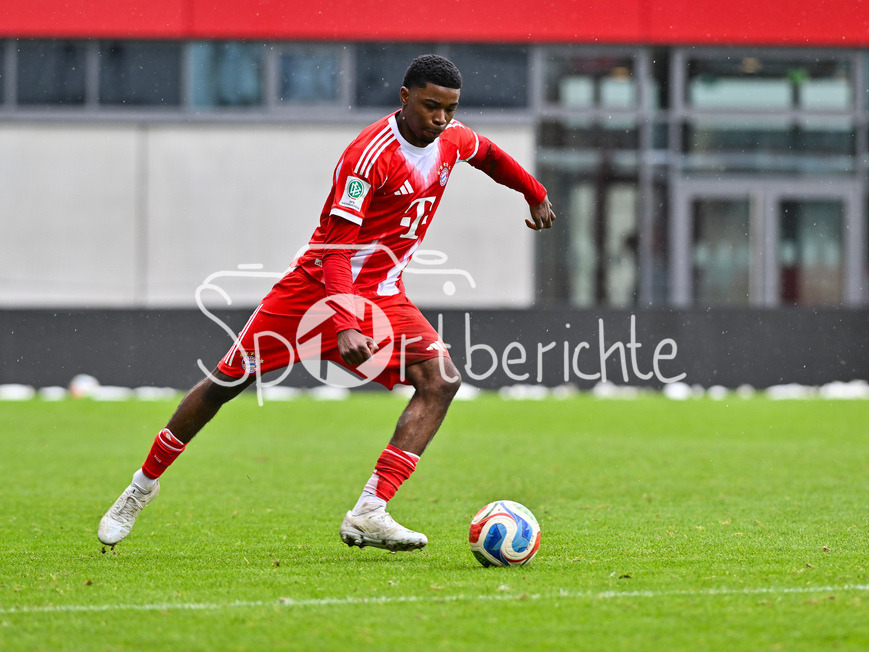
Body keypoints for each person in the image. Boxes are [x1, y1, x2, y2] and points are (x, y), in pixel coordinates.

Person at [98, 54, 555, 552]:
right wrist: (345, 321)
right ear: (405, 98)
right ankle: (141, 486)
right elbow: (336, 251)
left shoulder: (452, 138)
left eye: (450, 109)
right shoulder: (367, 157)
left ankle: (369, 511)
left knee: (440, 379)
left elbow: (489, 156)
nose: (441, 119)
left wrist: (533, 192)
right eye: (431, 107)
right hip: (312, 290)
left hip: (382, 295)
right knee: (226, 383)